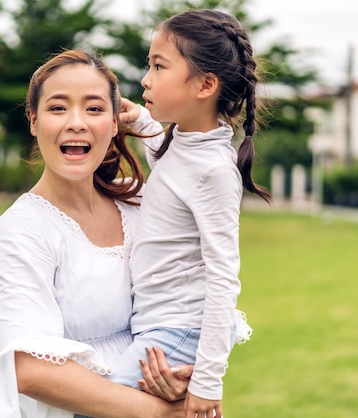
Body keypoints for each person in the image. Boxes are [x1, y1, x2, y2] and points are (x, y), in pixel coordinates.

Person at [0, 49, 189, 418]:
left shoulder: (138, 202)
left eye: (94, 108)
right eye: (58, 108)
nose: (76, 122)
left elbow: (200, 181)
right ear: (34, 121)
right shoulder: (23, 228)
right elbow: (33, 370)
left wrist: (184, 375)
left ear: (115, 122)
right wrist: (160, 412)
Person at [109, 9, 271, 418]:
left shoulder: (214, 170)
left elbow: (223, 276)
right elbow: (165, 155)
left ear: (205, 85)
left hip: (179, 329)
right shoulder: (180, 143)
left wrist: (208, 381)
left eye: (159, 66)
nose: (146, 79)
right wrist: (140, 118)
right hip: (156, 322)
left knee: (96, 403)